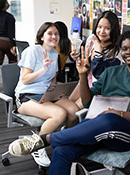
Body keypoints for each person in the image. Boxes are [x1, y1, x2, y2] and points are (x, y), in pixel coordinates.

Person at [8, 29, 130, 175]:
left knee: (109, 119)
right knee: (62, 151)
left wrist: (119, 114)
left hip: (128, 134)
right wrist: (83, 76)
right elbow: (87, 103)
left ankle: (45, 140)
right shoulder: (111, 72)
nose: (128, 52)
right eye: (125, 49)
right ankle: (53, 140)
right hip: (97, 128)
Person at [13, 22, 78, 167]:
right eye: (50, 33)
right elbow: (25, 79)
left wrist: (54, 89)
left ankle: (61, 141)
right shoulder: (32, 51)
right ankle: (38, 147)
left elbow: (53, 77)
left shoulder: (55, 53)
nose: (54, 36)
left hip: (46, 94)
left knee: (74, 111)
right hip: (26, 96)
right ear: (42, 36)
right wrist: (43, 69)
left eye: (56, 34)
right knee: (59, 114)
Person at [67, 10, 121, 113]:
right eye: (99, 27)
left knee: (74, 112)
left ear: (113, 30)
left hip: (98, 88)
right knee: (69, 103)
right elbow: (79, 53)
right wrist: (74, 55)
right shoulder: (91, 40)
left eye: (107, 28)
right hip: (85, 81)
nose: (102, 31)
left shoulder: (116, 51)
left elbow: (100, 74)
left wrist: (98, 54)